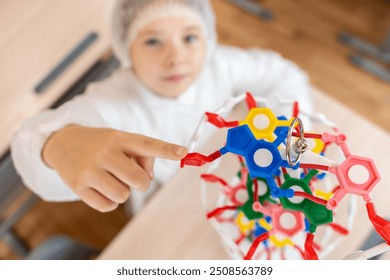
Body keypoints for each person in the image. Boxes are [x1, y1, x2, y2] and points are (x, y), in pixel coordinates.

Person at [11, 0, 313, 214]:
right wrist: (57, 143)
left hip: (241, 176)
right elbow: (29, 141)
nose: (176, 57)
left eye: (190, 37)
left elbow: (284, 76)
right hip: (169, 204)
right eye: (153, 42)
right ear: (125, 48)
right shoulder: (112, 101)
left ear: (207, 38)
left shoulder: (218, 65)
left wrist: (288, 133)